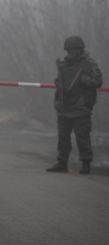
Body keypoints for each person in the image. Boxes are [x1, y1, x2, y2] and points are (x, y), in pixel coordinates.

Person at [47, 36, 102, 174]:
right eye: (69, 49)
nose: (71, 52)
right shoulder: (63, 65)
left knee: (82, 138)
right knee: (63, 138)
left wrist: (84, 80)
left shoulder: (89, 64)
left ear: (80, 49)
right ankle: (62, 162)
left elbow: (98, 81)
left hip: (81, 108)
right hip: (65, 108)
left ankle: (85, 163)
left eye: (74, 49)